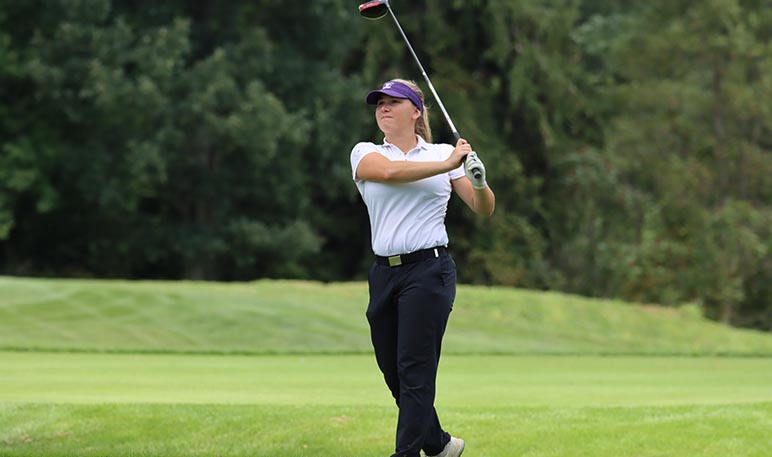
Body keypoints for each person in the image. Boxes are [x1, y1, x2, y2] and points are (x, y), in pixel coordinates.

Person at [350, 79, 495, 457]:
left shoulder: (443, 152)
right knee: (393, 370)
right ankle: (439, 443)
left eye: (393, 102)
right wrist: (448, 163)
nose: (383, 107)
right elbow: (388, 174)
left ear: (415, 111)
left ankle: (408, 453)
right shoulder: (365, 152)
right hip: (384, 273)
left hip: (429, 271)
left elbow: (483, 208)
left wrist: (478, 181)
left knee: (414, 368)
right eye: (379, 103)